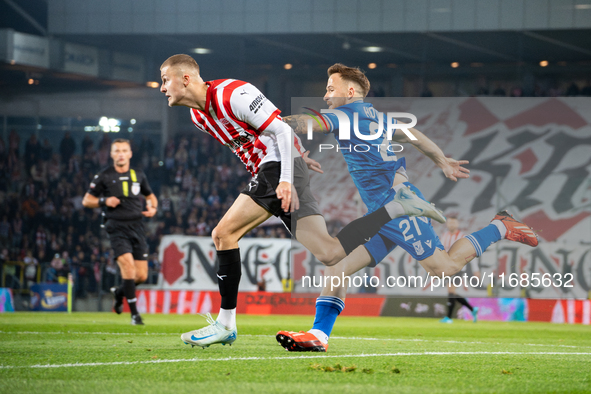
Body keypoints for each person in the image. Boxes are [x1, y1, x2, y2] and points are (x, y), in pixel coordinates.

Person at [159, 54, 443, 349]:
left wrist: (285, 177)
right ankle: (397, 208)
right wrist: (299, 159)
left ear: (186, 79)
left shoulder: (235, 94)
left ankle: (226, 323)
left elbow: (281, 128)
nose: (162, 87)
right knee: (330, 253)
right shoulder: (198, 116)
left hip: (278, 170)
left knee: (223, 233)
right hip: (285, 168)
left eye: (166, 80)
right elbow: (260, 139)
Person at [276, 63, 539, 352]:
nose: (325, 96)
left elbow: (306, 123)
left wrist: (267, 121)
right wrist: (440, 160)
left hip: (396, 205)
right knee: (338, 268)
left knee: (444, 267)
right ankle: (319, 335)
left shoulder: (343, 114)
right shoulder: (375, 116)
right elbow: (411, 133)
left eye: (330, 89)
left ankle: (501, 226)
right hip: (383, 209)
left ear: (350, 91)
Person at [82, 139, 158, 325]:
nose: (121, 154)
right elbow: (87, 200)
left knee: (141, 276)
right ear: (112, 154)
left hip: (137, 226)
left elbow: (150, 196)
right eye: (117, 151)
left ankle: (119, 292)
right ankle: (134, 315)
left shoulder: (138, 174)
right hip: (116, 227)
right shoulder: (104, 176)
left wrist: (153, 208)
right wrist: (104, 201)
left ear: (130, 153)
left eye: (124, 150)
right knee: (128, 266)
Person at [438, 215, 479, 323]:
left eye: (453, 223)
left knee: (451, 291)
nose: (451, 224)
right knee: (452, 292)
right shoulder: (444, 236)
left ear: (457, 224)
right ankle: (472, 309)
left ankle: (449, 318)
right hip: (448, 267)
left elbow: (470, 253)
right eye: (450, 223)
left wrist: (475, 269)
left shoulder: (462, 237)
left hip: (458, 268)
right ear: (447, 224)